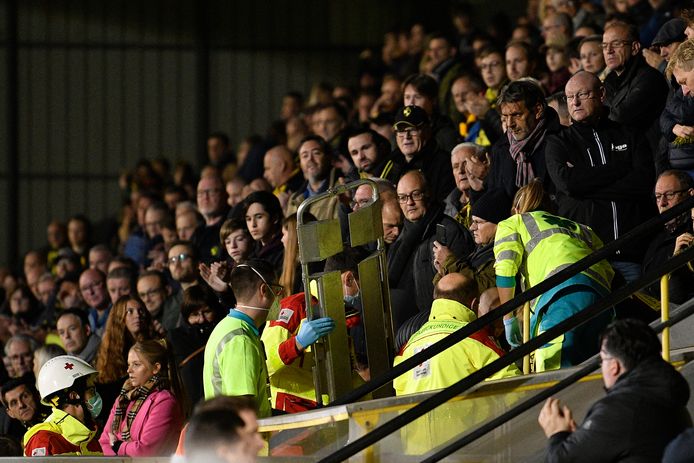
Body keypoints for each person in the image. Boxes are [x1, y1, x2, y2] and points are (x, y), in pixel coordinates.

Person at [545, 70, 655, 283]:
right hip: (587, 261)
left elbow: (643, 182)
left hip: (633, 254)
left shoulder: (629, 134)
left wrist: (586, 187)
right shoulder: (558, 143)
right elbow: (569, 184)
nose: (575, 102)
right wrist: (620, 168)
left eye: (582, 94)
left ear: (601, 94)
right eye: (569, 97)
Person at [495, 180, 614, 371]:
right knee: (595, 375)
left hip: (561, 295)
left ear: (516, 209)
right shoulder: (580, 227)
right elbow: (607, 265)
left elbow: (505, 271)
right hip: (600, 297)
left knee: (551, 370)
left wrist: (508, 320)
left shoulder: (515, 222)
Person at [539, 319, 691, 462]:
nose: (601, 367)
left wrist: (557, 433)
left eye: (602, 360)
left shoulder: (622, 409)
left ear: (614, 366)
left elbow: (561, 459)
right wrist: (582, 438)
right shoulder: (670, 400)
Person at [393, 273, 519, 397]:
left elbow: (400, 394)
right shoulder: (475, 338)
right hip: (467, 417)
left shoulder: (406, 349)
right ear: (474, 304)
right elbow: (514, 386)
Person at [388, 170, 474, 328]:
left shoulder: (449, 231)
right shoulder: (399, 237)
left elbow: (465, 282)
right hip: (404, 327)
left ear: (428, 194)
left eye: (416, 194)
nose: (410, 202)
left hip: (439, 324)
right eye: (403, 197)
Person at [203, 260, 281, 417]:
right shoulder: (240, 340)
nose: (279, 297)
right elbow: (242, 413)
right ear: (264, 290)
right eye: (277, 290)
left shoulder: (226, 327)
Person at [99, 340, 185, 456]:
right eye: (129, 364)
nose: (129, 370)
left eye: (136, 364)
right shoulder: (123, 399)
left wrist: (118, 446)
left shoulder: (165, 401)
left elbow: (145, 451)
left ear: (155, 368)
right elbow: (104, 443)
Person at [486, 79, 562, 199]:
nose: (510, 124)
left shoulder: (562, 141)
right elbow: (495, 201)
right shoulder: (500, 150)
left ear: (538, 110)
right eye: (505, 116)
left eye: (516, 115)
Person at [602, 21, 668, 152]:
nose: (609, 51)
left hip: (650, 155)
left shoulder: (649, 78)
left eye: (616, 44)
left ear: (635, 48)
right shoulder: (608, 82)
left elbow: (620, 116)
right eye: (604, 46)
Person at [24, 355, 103, 456]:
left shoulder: (92, 440)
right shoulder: (44, 440)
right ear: (74, 396)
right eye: (91, 391)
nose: (96, 395)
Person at [642, 170, 694, 305]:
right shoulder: (656, 239)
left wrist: (677, 259)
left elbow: (677, 294)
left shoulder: (689, 235)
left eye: (669, 195)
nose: (662, 203)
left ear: (690, 194)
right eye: (658, 197)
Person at [168, 285, 224, 407]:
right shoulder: (177, 339)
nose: (201, 319)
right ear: (186, 316)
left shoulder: (223, 331)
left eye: (206, 312)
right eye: (194, 314)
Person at [390, 105, 456, 204]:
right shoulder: (391, 163)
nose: (406, 136)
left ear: (427, 131)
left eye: (413, 130)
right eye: (401, 131)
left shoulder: (444, 164)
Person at [242, 191, 285, 276]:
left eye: (259, 217)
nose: (253, 225)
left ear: (275, 218)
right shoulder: (252, 251)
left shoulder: (285, 248)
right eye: (248, 219)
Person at [0, 375, 51, 444]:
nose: (21, 405)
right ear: (10, 413)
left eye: (25, 396)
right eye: (14, 403)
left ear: (37, 395)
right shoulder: (16, 442)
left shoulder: (59, 417)